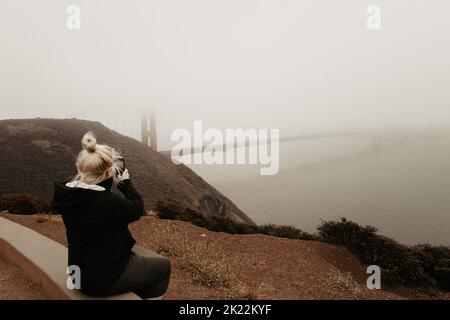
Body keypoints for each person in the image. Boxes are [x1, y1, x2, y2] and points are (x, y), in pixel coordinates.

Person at [52, 131, 171, 299]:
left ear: (81, 168)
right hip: (100, 280)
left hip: (77, 274)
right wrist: (126, 183)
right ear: (109, 172)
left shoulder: (69, 195)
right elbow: (137, 209)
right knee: (164, 267)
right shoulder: (106, 202)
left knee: (139, 258)